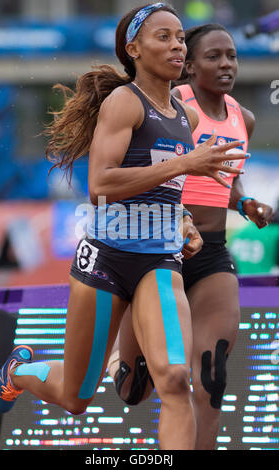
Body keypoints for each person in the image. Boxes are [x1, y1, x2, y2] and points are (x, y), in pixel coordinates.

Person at [0, 5, 247, 450]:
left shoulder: (183, 116)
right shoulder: (124, 102)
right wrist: (188, 162)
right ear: (134, 49)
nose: (176, 46)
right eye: (163, 37)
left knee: (174, 376)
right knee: (75, 397)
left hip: (159, 261)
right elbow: (101, 185)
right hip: (106, 261)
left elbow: (167, 185)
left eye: (181, 38)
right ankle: (18, 372)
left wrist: (183, 219)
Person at [108, 22, 274, 450]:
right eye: (213, 56)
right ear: (189, 66)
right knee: (133, 390)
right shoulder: (171, 106)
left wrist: (244, 202)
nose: (225, 64)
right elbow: (140, 169)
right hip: (161, 252)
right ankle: (118, 355)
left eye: (232, 56)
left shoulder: (244, 118)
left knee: (212, 376)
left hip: (213, 253)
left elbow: (225, 178)